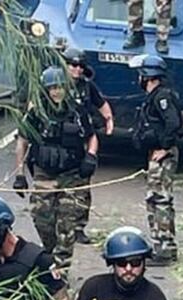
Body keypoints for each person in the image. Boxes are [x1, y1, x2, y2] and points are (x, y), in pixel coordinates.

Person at [12, 66, 99, 271]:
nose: (57, 92)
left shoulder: (77, 111)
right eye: (52, 88)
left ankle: (60, 270)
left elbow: (92, 136)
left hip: (72, 175)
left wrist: (90, 156)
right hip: (44, 174)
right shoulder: (36, 113)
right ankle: (50, 256)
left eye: (60, 87)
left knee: (67, 223)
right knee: (42, 219)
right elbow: (22, 142)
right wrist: (19, 174)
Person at [131, 57, 181, 265]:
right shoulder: (153, 97)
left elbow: (173, 122)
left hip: (162, 155)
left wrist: (165, 147)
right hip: (155, 153)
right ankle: (159, 245)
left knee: (160, 200)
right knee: (154, 200)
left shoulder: (162, 97)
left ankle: (165, 248)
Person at [62, 47, 113, 244]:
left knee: (82, 188)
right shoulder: (53, 83)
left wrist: (108, 119)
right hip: (58, 143)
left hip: (80, 141)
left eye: (81, 66)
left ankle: (79, 227)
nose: (77, 69)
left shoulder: (86, 86)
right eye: (73, 65)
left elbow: (101, 103)